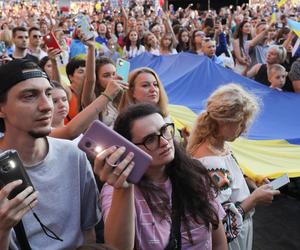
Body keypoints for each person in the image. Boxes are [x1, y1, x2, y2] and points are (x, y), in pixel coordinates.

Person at [95, 103, 227, 250]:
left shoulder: (194, 173)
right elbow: (117, 247)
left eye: (165, 130)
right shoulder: (116, 190)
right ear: (129, 148)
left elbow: (219, 241)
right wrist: (123, 189)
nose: (164, 142)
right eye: (150, 139)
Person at [0, 59, 100, 250]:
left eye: (48, 94)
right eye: (29, 96)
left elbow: (88, 232)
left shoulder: (74, 155)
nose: (47, 106)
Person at [186, 83, 280, 250]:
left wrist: (251, 184)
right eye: (240, 123)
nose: (243, 129)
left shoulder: (220, 148)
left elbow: (229, 180)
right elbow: (224, 223)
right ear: (223, 121)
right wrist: (254, 198)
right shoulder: (211, 163)